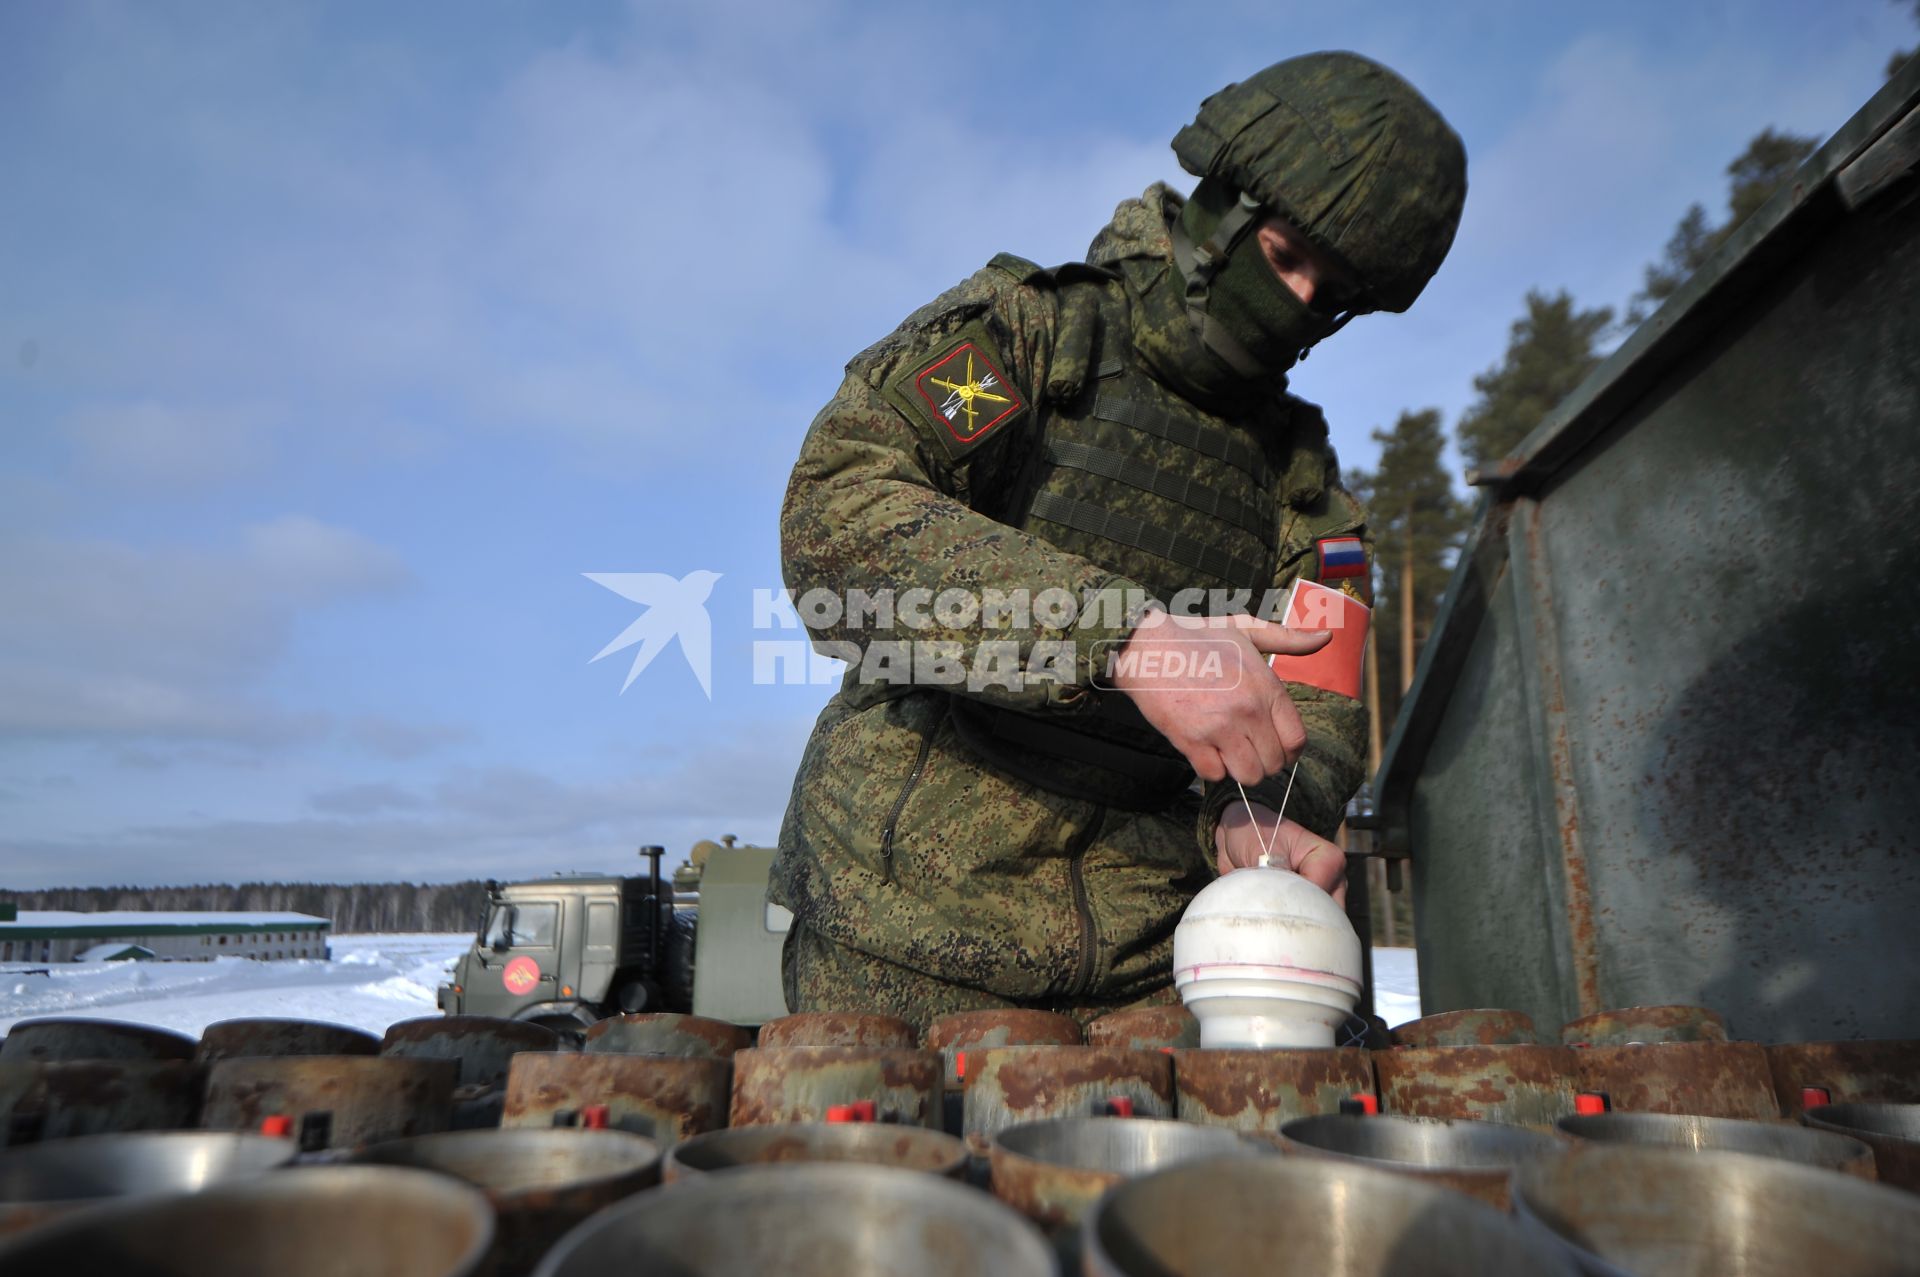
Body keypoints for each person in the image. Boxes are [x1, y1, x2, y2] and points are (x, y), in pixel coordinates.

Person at [770, 51, 1467, 1028]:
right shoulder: (1033, 338)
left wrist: (1273, 816)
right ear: (1222, 206)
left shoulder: (1304, 488)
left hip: (1163, 965)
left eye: (1337, 290)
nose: (1305, 302)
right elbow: (838, 520)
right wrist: (1127, 636)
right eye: (1284, 255)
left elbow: (1322, 692)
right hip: (906, 936)